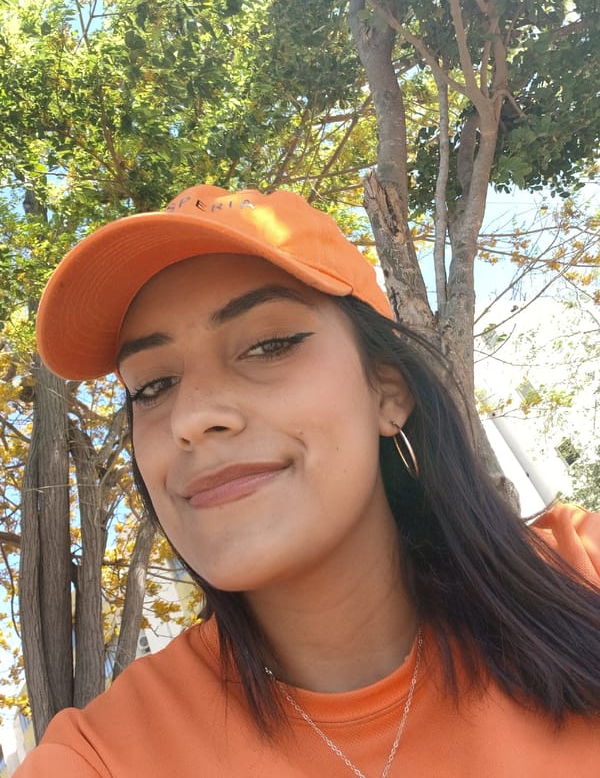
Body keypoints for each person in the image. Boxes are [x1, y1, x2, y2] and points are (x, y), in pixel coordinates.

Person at [17, 184, 600, 777]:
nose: (191, 418)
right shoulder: (104, 758)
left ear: (388, 390)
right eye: (152, 386)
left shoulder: (584, 577)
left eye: (268, 345)